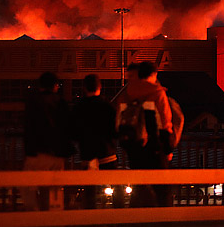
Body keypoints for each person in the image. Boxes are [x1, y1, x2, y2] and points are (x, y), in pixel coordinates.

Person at [117, 61, 173, 207]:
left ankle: (138, 221)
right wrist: (168, 148)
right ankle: (164, 223)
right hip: (154, 145)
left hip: (133, 145)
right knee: (163, 187)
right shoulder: (157, 92)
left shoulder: (126, 94)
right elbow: (165, 121)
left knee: (139, 185)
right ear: (154, 74)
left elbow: (119, 121)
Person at [22, 72, 73, 212]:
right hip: (56, 153)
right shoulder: (60, 102)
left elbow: (28, 126)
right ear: (55, 86)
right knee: (54, 189)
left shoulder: (32, 101)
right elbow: (67, 127)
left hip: (36, 152)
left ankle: (34, 217)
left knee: (29, 187)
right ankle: (53, 222)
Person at [72, 74, 119, 209]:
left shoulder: (79, 107)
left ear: (84, 88)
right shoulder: (107, 106)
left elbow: (74, 132)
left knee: (89, 190)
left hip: (87, 152)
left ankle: (90, 219)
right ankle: (119, 218)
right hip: (107, 151)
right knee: (115, 185)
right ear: (100, 87)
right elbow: (114, 131)